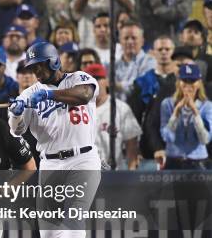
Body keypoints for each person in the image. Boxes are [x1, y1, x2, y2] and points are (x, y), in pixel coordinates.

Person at [8, 41, 101, 238]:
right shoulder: (28, 93)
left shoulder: (79, 79)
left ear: (53, 61)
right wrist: (17, 112)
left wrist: (49, 95)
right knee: (49, 235)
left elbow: (84, 95)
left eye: (39, 66)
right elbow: (17, 131)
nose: (36, 72)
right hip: (50, 162)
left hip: (83, 158)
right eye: (32, 67)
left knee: (74, 214)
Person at [128, 36, 178, 170]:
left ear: (173, 51)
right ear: (153, 52)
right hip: (148, 149)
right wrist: (135, 149)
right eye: (160, 49)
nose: (164, 52)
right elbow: (134, 117)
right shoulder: (142, 83)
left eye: (167, 49)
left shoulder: (182, 82)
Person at [84, 63, 141, 170]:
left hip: (112, 174)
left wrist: (132, 172)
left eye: (98, 78)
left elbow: (131, 144)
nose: (94, 82)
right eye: (90, 79)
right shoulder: (76, 110)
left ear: (106, 82)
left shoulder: (121, 108)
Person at [161, 64, 212, 169]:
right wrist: (176, 112)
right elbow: (167, 137)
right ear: (179, 83)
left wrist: (195, 112)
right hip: (173, 161)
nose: (188, 85)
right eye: (185, 81)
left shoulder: (207, 106)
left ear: (199, 83)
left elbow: (205, 139)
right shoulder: (167, 104)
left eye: (192, 81)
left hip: (198, 162)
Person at [116, 21, 156, 100]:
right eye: (126, 38)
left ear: (142, 41)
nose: (130, 42)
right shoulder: (113, 65)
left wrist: (118, 86)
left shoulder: (151, 62)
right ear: (120, 41)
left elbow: (140, 87)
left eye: (134, 38)